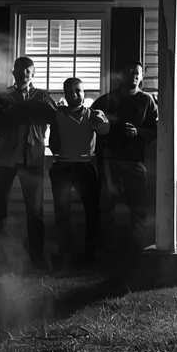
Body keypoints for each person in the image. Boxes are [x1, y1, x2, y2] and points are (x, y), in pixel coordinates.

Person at [0, 56, 57, 270]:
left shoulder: (42, 95)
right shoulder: (1, 95)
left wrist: (20, 108)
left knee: (35, 211)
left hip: (32, 158)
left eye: (28, 70)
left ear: (33, 74)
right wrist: (22, 113)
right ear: (13, 72)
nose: (24, 74)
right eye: (20, 69)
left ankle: (37, 259)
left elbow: (52, 115)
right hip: (4, 158)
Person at [92, 61, 158, 255]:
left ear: (142, 76)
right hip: (109, 161)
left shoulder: (147, 101)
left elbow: (155, 130)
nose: (134, 76)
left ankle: (136, 252)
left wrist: (138, 132)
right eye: (130, 72)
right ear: (122, 75)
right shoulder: (106, 100)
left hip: (135, 161)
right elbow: (92, 124)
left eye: (137, 73)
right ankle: (107, 252)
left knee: (139, 208)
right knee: (107, 209)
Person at [48, 77, 112, 269]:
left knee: (93, 212)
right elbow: (52, 145)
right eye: (69, 92)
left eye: (78, 91)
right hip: (62, 167)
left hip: (85, 166)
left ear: (84, 92)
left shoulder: (94, 114)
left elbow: (105, 130)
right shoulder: (57, 115)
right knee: (62, 214)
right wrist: (54, 125)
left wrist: (99, 122)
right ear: (64, 95)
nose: (74, 95)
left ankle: (90, 254)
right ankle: (66, 257)